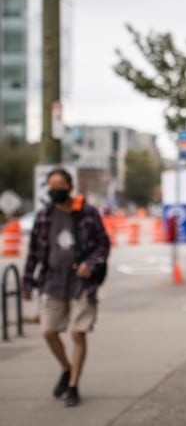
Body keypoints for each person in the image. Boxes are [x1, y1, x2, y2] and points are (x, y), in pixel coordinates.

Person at [21, 168, 110, 407]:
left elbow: (103, 243)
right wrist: (27, 282)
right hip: (52, 281)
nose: (55, 190)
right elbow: (34, 253)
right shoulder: (43, 217)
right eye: (51, 186)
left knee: (77, 332)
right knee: (49, 331)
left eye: (60, 185)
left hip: (81, 283)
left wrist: (90, 264)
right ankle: (66, 368)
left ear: (70, 187)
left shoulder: (87, 213)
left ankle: (73, 385)